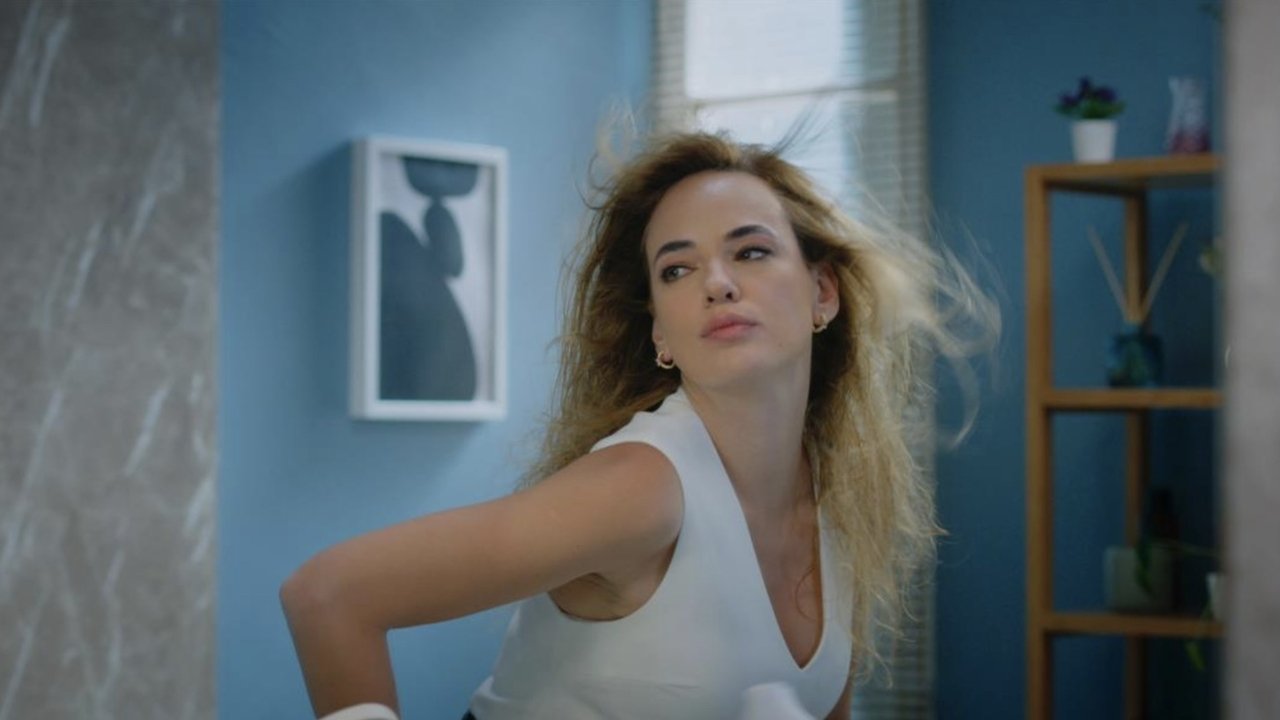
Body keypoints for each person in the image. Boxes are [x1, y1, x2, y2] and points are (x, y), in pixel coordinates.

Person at [281, 130, 996, 720]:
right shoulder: (641, 488)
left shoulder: (841, 505)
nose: (717, 283)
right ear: (660, 334)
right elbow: (329, 596)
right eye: (677, 270)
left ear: (823, 292)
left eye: (751, 251)